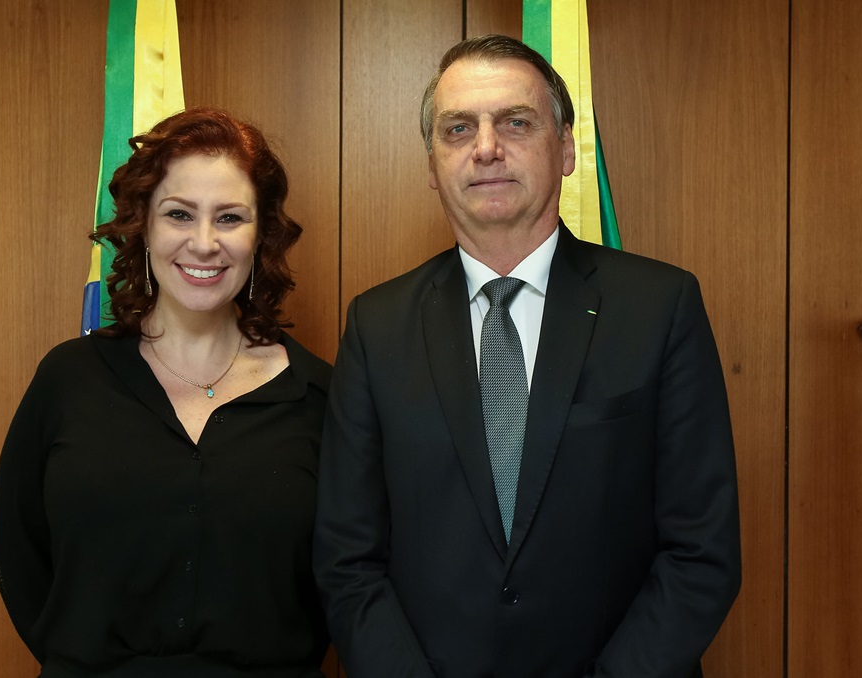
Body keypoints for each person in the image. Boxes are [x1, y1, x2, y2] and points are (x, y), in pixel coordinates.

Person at [313, 35, 741, 678]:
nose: (486, 147)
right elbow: (347, 560)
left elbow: (701, 551)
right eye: (459, 128)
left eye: (516, 122)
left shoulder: (661, 306)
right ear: (433, 164)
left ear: (566, 148)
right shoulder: (376, 325)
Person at [0, 107, 331, 678]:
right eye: (179, 214)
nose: (204, 243)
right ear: (143, 225)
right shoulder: (68, 381)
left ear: (261, 235)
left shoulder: (321, 398)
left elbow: (346, 579)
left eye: (229, 217)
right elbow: (21, 554)